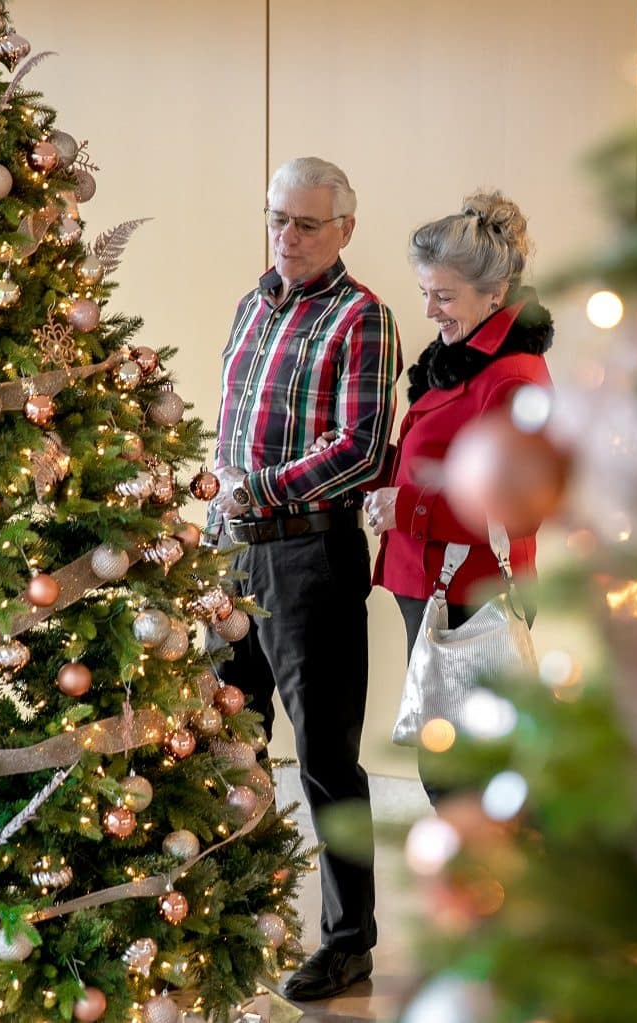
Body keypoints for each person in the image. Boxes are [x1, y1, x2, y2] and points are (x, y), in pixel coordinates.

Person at [205, 156, 402, 1001]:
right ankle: (240, 906)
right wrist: (217, 505)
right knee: (228, 736)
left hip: (309, 557)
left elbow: (358, 449)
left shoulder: (365, 317)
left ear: (345, 230)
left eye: (306, 224)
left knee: (325, 757)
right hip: (233, 551)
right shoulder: (253, 304)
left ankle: (349, 941)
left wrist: (260, 489)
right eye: (278, 218)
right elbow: (231, 426)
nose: (286, 236)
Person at [362, 191, 553, 800]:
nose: (429, 311)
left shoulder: (513, 377)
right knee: (446, 761)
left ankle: (484, 886)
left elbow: (521, 507)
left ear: (494, 293)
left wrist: (407, 509)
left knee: (459, 774)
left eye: (442, 297)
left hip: (472, 590)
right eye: (425, 293)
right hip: (432, 581)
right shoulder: (462, 356)